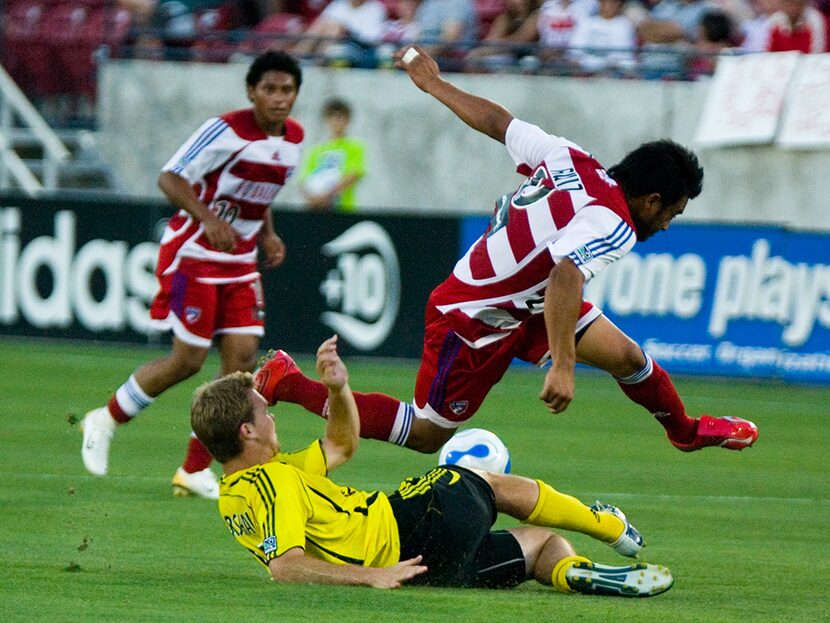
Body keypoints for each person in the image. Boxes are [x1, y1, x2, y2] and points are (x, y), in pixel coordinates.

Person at [255, 44, 760, 459]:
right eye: (671, 213)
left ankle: (684, 430)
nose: (667, 225)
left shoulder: (572, 157)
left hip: (530, 301)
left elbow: (499, 123)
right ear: (650, 201)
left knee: (628, 357)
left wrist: (434, 84)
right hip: (474, 317)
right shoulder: (615, 223)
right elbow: (567, 274)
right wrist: (563, 364)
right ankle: (289, 381)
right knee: (428, 435)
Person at [191, 335, 674, 594]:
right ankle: (605, 524)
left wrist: (338, 391)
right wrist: (373, 576)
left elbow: (341, 445)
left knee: (541, 545)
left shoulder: (242, 489)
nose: (272, 415)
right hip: (407, 527)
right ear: (246, 432)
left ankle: (574, 573)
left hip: (421, 567)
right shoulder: (272, 482)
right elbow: (286, 567)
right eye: (263, 411)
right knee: (481, 480)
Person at [80, 51, 305, 499]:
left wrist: (268, 235)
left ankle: (193, 468)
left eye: (288, 90)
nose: (279, 99)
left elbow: (257, 197)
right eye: (270, 89)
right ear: (251, 92)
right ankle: (105, 418)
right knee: (188, 361)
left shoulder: (294, 138)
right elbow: (170, 178)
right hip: (196, 254)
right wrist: (208, 219)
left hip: (239, 262)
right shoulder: (224, 130)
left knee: (241, 363)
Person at [299, 98, 367, 213]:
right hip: (316, 210)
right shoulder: (316, 150)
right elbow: (303, 181)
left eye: (341, 117)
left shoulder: (355, 147)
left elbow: (354, 174)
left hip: (344, 210)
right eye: (333, 117)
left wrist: (327, 195)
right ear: (326, 120)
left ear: (348, 120)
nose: (337, 121)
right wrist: (312, 198)